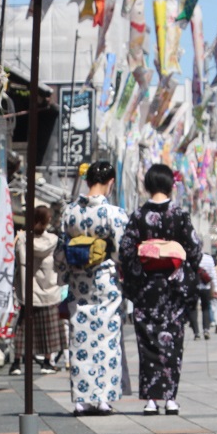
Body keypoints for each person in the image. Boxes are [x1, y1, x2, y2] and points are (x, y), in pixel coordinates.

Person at [120, 163, 202, 416]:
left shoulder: (137, 216)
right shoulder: (180, 215)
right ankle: (171, 399)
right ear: (171, 186)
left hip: (146, 287)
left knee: (148, 344)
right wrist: (179, 265)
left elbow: (125, 251)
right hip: (173, 287)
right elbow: (195, 249)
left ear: (146, 186)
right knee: (173, 343)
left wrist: (141, 270)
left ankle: (151, 400)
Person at [58, 160, 128, 416]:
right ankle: (103, 399)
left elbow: (61, 251)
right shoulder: (115, 215)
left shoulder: (70, 213)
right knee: (107, 339)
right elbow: (122, 252)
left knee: (79, 337)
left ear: (87, 182)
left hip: (79, 282)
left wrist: (63, 277)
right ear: (110, 182)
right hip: (105, 281)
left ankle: (80, 399)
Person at [10, 205, 65, 376]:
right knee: (49, 331)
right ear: (47, 220)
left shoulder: (22, 239)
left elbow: (18, 263)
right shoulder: (54, 241)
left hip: (28, 292)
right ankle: (47, 362)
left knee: (23, 329)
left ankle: (16, 362)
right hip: (49, 291)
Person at [188, 252, 217, 340]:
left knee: (193, 309)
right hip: (206, 286)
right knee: (206, 308)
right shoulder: (208, 258)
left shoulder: (190, 258)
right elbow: (213, 274)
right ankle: (206, 330)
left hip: (193, 287)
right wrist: (216, 288)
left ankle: (196, 333)